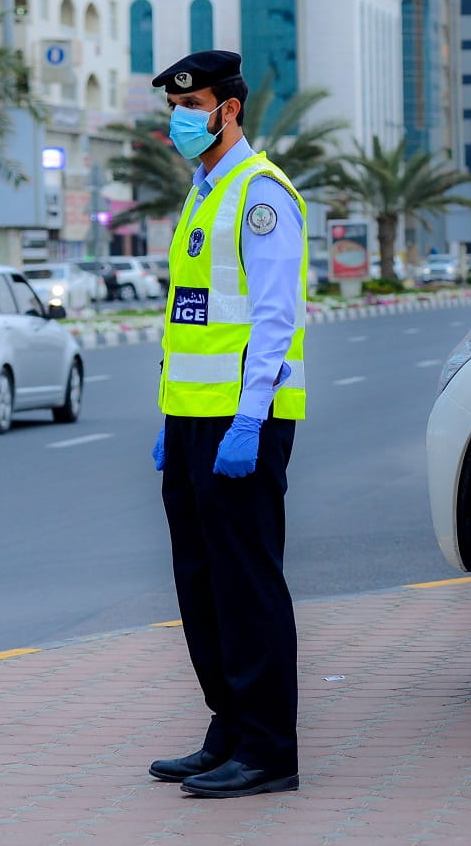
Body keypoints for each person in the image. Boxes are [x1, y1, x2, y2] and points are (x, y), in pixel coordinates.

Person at [143, 50, 308, 799]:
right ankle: (230, 728)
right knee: (201, 583)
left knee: (247, 583)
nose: (179, 120)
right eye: (174, 109)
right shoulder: (203, 194)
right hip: (191, 420)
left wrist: (249, 418)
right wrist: (170, 415)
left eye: (191, 105)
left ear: (228, 110)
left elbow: (274, 317)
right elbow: (192, 319)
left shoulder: (260, 194)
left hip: (243, 422)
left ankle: (270, 749)